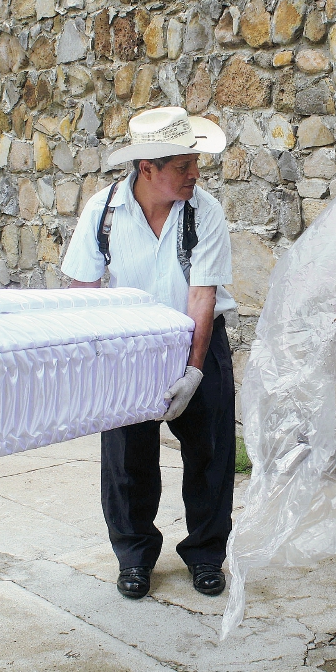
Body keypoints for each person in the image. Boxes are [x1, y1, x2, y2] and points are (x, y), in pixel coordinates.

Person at [61, 106, 237, 600]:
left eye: (195, 162)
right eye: (182, 166)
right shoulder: (103, 212)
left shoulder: (205, 212)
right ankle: (134, 556)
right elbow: (83, 290)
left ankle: (206, 554)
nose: (194, 174)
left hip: (197, 336)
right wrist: (94, 364)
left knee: (210, 453)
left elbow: (202, 295)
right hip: (129, 345)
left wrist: (196, 370)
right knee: (126, 459)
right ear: (148, 169)